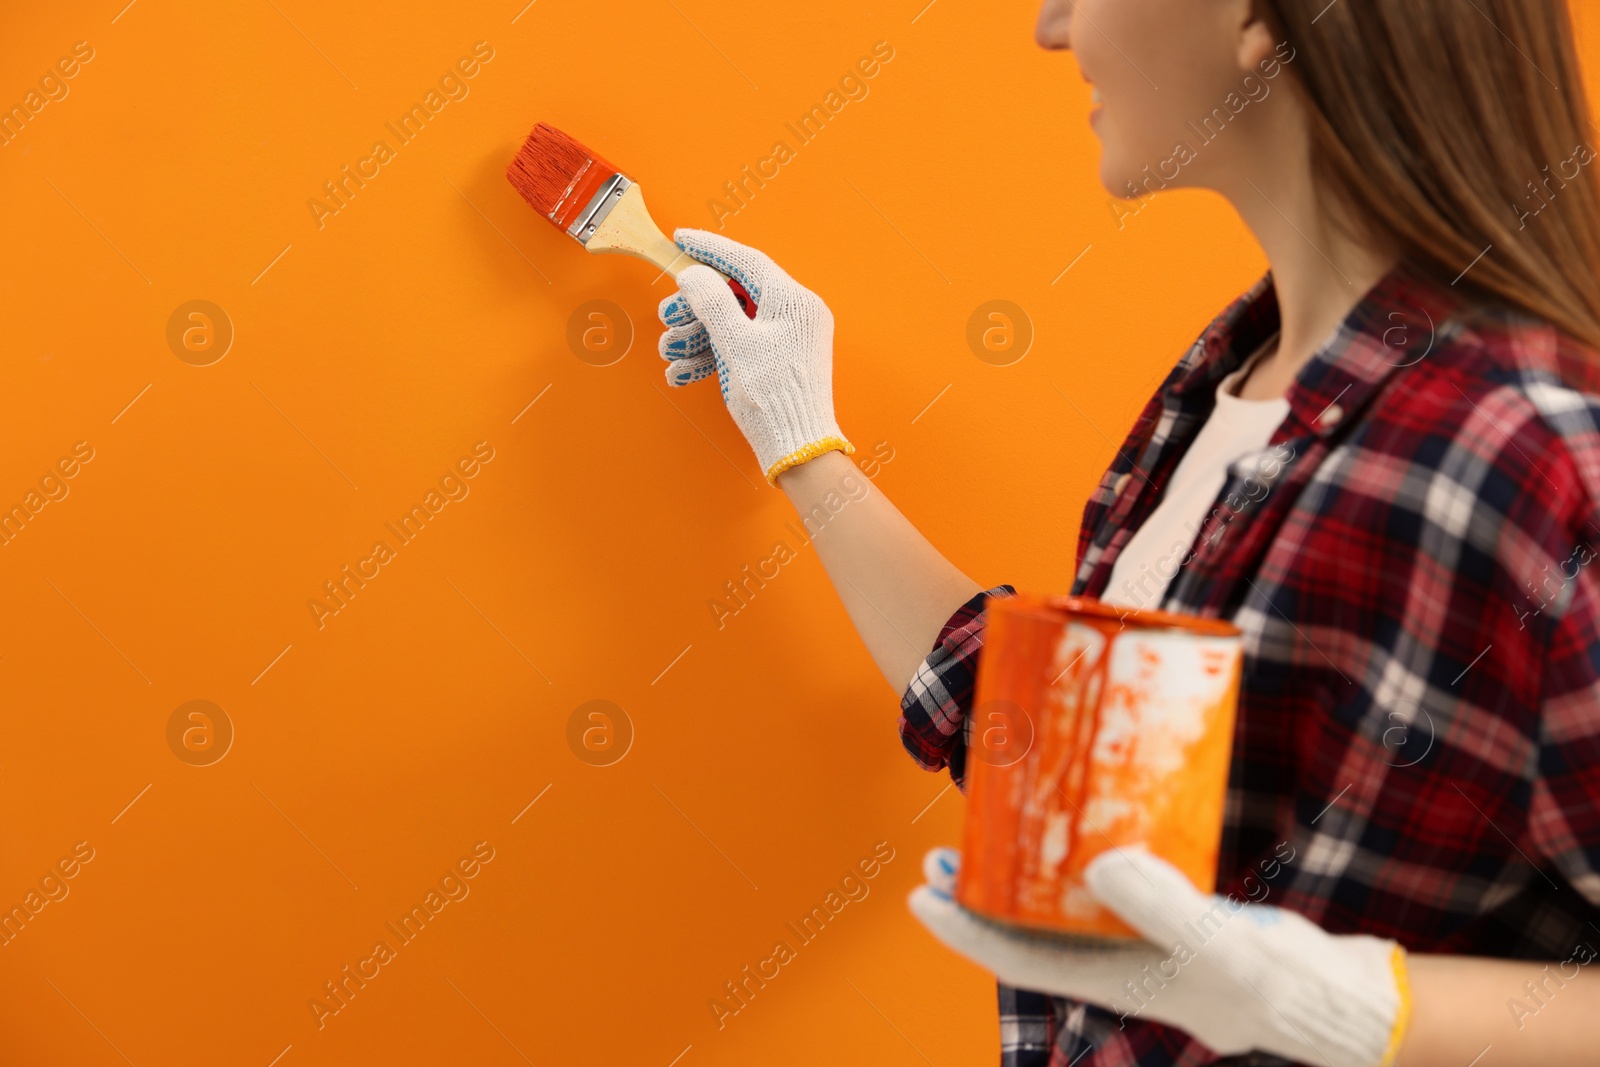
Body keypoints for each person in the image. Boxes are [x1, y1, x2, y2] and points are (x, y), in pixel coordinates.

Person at [654, 0, 1600, 1063]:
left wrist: (1345, 1001)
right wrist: (799, 433)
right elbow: (1064, 765)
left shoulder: (1531, 454)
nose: (1050, 26)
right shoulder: (1229, 384)